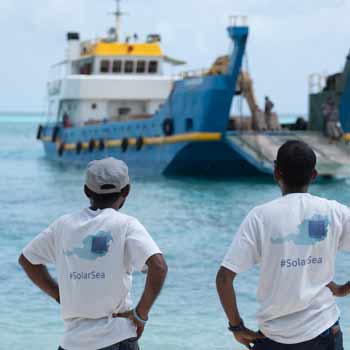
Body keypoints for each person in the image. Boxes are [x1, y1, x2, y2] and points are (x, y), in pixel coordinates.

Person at [19, 157, 168, 350]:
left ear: (86, 191)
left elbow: (27, 260)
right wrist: (141, 314)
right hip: (117, 337)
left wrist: (59, 295)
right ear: (127, 191)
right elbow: (159, 266)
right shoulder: (125, 224)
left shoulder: (63, 225)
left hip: (72, 343)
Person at [216, 140, 350, 350]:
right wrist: (343, 289)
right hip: (324, 332)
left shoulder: (260, 217)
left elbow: (224, 279)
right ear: (314, 175)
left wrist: (237, 326)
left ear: (276, 173)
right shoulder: (334, 211)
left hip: (273, 339)